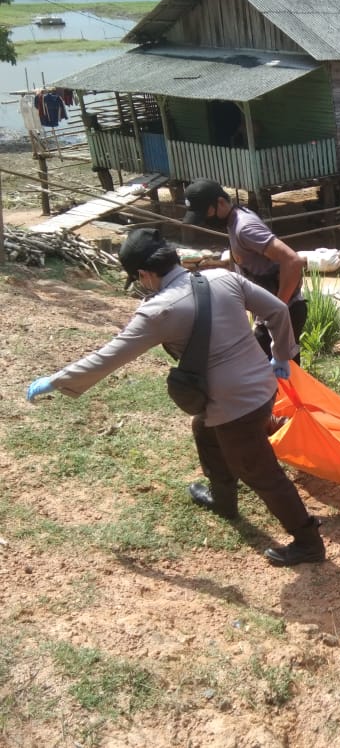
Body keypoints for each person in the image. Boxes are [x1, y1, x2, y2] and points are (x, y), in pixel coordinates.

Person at [24, 228, 324, 566]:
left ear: (145, 274)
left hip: (234, 405)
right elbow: (278, 311)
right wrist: (282, 355)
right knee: (205, 430)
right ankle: (223, 499)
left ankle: (308, 541)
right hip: (264, 386)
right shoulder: (221, 278)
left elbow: (109, 356)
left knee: (259, 471)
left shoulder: (158, 312)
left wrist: (56, 380)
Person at [182, 178, 306, 361]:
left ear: (221, 203)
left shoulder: (244, 227)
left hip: (284, 313)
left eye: (206, 214)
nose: (206, 220)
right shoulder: (234, 220)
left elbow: (293, 261)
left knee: (276, 378)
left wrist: (277, 308)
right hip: (272, 315)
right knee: (269, 379)